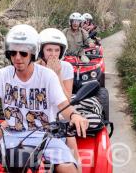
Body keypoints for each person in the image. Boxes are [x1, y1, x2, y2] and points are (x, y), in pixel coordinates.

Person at [0, 24, 89, 173]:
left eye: (23, 53)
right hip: (11, 135)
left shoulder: (48, 76)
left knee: (68, 169)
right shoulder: (3, 75)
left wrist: (75, 116)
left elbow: (63, 105)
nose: (17, 57)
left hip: (45, 136)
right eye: (12, 52)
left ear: (33, 54)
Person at [38, 28, 81, 170]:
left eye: (57, 50)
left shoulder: (66, 67)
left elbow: (66, 100)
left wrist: (56, 75)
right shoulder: (33, 68)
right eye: (49, 50)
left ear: (61, 52)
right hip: (39, 117)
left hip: (61, 116)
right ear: (41, 50)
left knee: (71, 140)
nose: (53, 54)